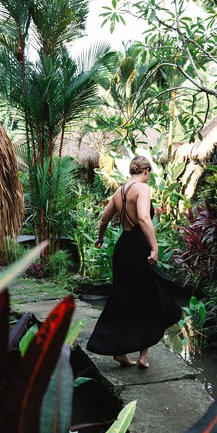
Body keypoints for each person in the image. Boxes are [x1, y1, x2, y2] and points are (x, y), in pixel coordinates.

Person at [86, 155, 182, 368]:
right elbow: (143, 218)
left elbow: (104, 218)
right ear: (146, 171)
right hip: (140, 248)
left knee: (124, 297)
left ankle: (123, 352)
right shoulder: (142, 189)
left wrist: (100, 238)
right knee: (149, 296)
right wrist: (155, 248)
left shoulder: (119, 192)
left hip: (123, 248)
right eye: (149, 174)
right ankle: (142, 355)